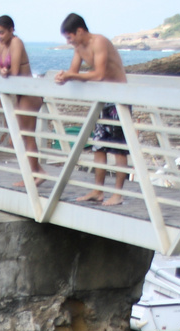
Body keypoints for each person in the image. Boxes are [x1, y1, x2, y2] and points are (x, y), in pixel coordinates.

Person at [54, 13, 130, 206]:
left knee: (118, 149)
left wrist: (72, 75)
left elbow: (99, 74)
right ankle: (98, 190)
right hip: (101, 100)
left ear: (80, 31)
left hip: (118, 97)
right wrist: (64, 77)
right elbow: (74, 71)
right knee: (98, 146)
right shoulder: (79, 47)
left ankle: (118, 194)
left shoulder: (100, 42)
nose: (69, 42)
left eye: (70, 37)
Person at [0, 15, 43, 182]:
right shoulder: (1, 44)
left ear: (11, 30)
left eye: (1, 33)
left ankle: (33, 175)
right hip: (20, 94)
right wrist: (1, 71)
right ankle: (36, 172)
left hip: (29, 92)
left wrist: (6, 71)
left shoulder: (16, 42)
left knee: (24, 135)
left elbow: (14, 72)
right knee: (19, 136)